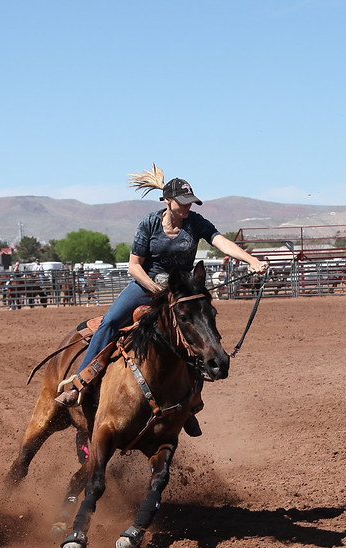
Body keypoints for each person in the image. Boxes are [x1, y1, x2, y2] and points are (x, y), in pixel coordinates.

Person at [55, 166, 269, 420]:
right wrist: (155, 288)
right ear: (168, 201)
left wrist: (250, 260)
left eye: (191, 202)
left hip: (181, 292)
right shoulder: (150, 223)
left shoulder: (196, 222)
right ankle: (82, 382)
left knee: (199, 333)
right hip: (147, 287)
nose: (188, 207)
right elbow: (134, 266)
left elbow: (221, 241)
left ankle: (189, 402)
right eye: (183, 202)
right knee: (111, 321)